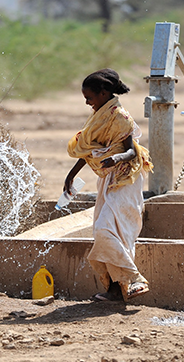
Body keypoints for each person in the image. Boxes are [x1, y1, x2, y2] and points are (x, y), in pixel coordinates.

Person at [63, 68, 153, 302]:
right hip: (107, 177)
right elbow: (92, 148)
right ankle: (115, 290)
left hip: (125, 177)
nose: (87, 102)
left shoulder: (120, 116)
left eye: (89, 98)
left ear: (103, 93)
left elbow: (132, 151)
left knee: (108, 230)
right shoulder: (98, 115)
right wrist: (71, 174)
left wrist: (117, 158)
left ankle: (135, 279)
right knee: (107, 232)